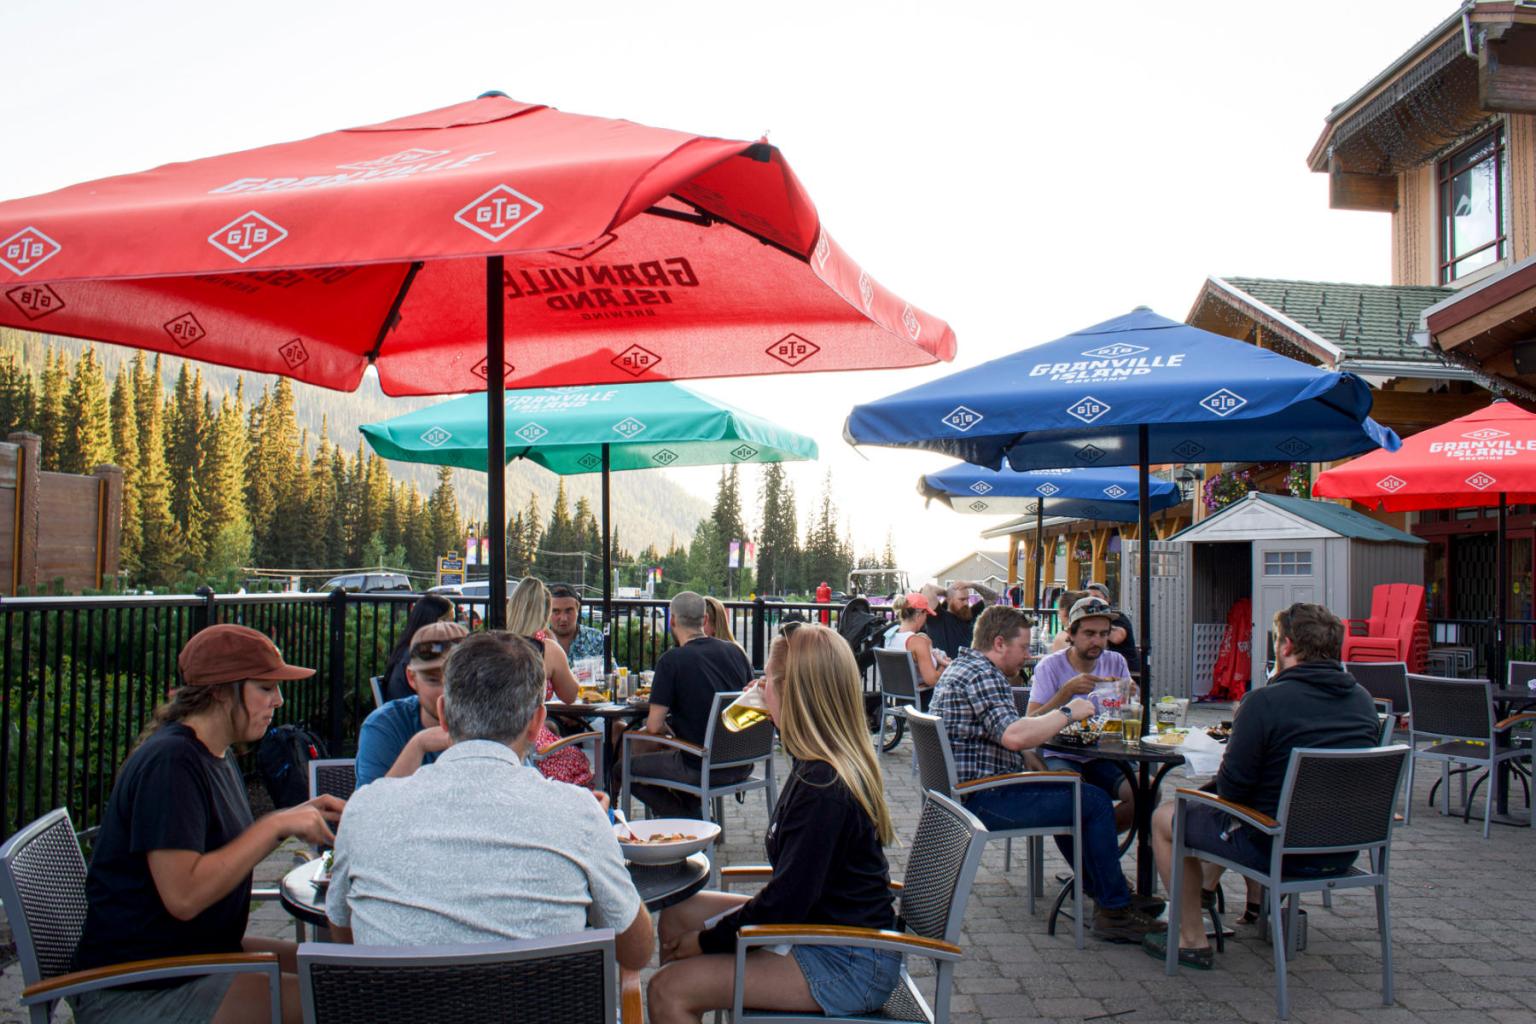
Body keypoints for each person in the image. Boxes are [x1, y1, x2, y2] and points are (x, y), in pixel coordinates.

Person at [326, 631, 653, 969]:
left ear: (443, 713)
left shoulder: (365, 809)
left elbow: (343, 930)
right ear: (537, 722)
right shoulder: (577, 814)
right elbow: (638, 952)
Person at [72, 625, 344, 1024]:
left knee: (344, 975)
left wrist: (303, 811)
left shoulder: (213, 752)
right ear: (220, 691)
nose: (279, 700)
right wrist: (274, 825)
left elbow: (222, 850)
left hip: (192, 958)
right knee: (339, 1004)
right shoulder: (171, 763)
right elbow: (184, 896)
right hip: (137, 989)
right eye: (265, 688)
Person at [647, 624, 901, 1022]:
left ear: (793, 694)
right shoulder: (821, 761)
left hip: (846, 961)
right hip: (824, 927)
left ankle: (687, 996)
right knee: (680, 912)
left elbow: (785, 902)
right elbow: (793, 892)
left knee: (668, 990)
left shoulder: (823, 788)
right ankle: (701, 989)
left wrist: (706, 943)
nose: (759, 685)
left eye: (767, 679)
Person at [1145, 602, 1379, 969]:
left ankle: (1190, 938)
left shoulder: (1265, 702)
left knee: (1168, 817)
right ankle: (1207, 894)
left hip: (1278, 847)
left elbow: (1233, 792)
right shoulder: (1364, 702)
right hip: (1344, 847)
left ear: (1285, 646)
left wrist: (1206, 789)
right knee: (1216, 811)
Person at [932, 606, 1164, 942]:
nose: (1027, 657)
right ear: (999, 643)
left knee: (1075, 794)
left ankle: (1106, 890)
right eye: (1024, 647)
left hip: (967, 794)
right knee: (1094, 803)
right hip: (983, 800)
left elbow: (1009, 734)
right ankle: (1113, 908)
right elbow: (1014, 736)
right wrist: (1069, 710)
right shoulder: (982, 674)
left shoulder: (965, 668)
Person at [628, 591, 754, 818]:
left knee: (624, 768)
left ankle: (690, 818)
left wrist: (668, 732)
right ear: (705, 620)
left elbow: (654, 726)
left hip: (701, 766)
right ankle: (694, 816)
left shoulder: (672, 660)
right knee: (676, 754)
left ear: (672, 621)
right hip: (743, 763)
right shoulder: (736, 652)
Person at [1029, 596, 1137, 832]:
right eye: (1089, 633)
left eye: (1103, 634)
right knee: (1072, 800)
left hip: (1103, 753)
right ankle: (1094, 856)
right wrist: (1065, 693)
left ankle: (1093, 846)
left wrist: (1131, 699)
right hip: (1060, 751)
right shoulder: (1050, 666)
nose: (1097, 641)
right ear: (1071, 633)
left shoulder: (1116, 661)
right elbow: (1030, 721)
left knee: (1145, 792)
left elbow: (1128, 711)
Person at [354, 621, 467, 787]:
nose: (445, 692)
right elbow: (369, 810)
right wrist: (418, 745)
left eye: (457, 680)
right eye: (434, 680)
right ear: (412, 678)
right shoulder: (385, 725)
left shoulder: (499, 720)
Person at [506, 576, 593, 787]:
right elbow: (571, 695)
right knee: (578, 761)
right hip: (529, 740)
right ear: (545, 613)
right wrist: (555, 646)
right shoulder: (546, 649)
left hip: (498, 736)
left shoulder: (496, 644)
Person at [380, 593, 455, 703]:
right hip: (411, 716)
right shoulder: (421, 654)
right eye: (449, 620)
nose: (452, 626)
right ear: (435, 622)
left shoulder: (411, 649)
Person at [884, 592, 948, 700]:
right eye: (925, 615)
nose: (925, 619)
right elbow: (932, 680)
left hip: (897, 701)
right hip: (921, 703)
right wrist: (944, 664)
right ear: (918, 615)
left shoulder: (890, 636)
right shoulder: (917, 642)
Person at [924, 579, 999, 658]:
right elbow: (928, 588)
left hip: (972, 667)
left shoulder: (970, 613)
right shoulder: (937, 617)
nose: (966, 603)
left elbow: (993, 597)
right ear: (949, 599)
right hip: (947, 668)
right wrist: (947, 592)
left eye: (967, 599)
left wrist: (972, 584)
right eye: (962, 599)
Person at [1085, 581, 1140, 674]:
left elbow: (1117, 638)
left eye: (1096, 597)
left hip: (1126, 670)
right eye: (1089, 598)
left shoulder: (1117, 616)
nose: (1093, 601)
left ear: (1107, 599)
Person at [549, 582, 605, 662]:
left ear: (577, 608)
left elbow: (612, 672)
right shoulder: (538, 643)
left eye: (569, 611)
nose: (563, 618)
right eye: (556, 611)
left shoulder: (596, 638)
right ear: (546, 611)